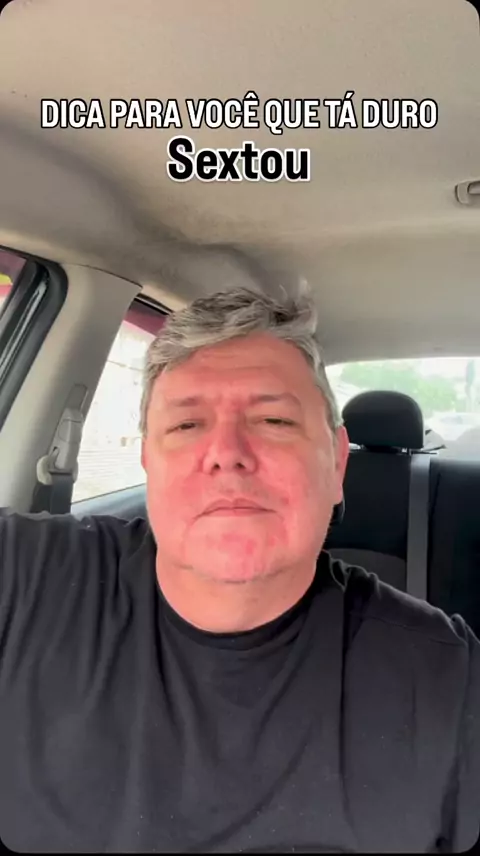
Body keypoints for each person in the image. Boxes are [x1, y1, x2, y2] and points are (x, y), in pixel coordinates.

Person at [0, 284, 479, 853]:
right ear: (148, 460)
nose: (227, 453)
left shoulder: (449, 682)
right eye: (186, 425)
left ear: (336, 463)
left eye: (274, 420)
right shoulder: (23, 576)